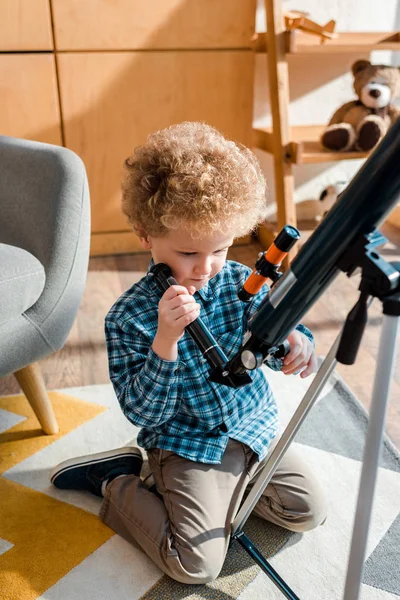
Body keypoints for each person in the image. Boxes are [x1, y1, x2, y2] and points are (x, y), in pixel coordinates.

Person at [50, 122, 327, 584]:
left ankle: (215, 496)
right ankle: (117, 482)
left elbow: (270, 343)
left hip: (252, 428)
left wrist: (296, 342)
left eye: (219, 248)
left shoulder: (239, 279)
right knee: (194, 565)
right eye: (187, 252)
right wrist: (165, 342)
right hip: (186, 444)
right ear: (145, 234)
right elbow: (143, 410)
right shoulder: (129, 316)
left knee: (307, 511)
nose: (205, 267)